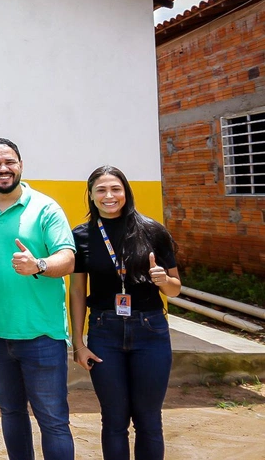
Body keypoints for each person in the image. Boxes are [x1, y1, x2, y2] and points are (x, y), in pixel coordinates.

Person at [0, 138, 76, 460]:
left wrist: (38, 265)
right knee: (11, 414)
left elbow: (67, 258)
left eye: (9, 161)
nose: (3, 169)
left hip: (41, 334)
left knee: (52, 421)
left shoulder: (45, 207)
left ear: (21, 165)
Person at [69, 165, 181, 460]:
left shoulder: (152, 230)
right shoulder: (81, 236)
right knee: (114, 420)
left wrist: (163, 281)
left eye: (115, 189)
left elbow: (175, 289)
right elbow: (78, 291)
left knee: (148, 420)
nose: (109, 196)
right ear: (91, 196)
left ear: (126, 192)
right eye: (101, 190)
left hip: (150, 331)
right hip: (104, 332)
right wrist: (78, 343)